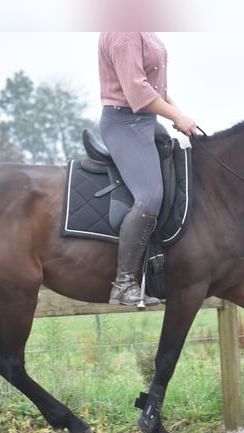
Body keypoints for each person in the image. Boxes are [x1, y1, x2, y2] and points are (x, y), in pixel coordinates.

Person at [98, 32, 198, 306]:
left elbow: (155, 85)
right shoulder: (125, 33)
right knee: (150, 195)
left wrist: (178, 113)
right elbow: (137, 90)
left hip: (146, 120)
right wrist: (176, 115)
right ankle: (124, 284)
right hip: (124, 123)